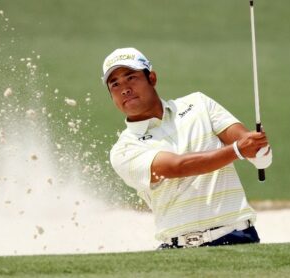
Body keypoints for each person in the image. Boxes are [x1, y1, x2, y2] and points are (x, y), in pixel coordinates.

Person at [101, 47, 272, 249]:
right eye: (115, 84)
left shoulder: (199, 104)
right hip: (178, 250)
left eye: (131, 77)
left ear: (152, 78)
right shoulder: (124, 149)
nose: (124, 88)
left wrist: (260, 151)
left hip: (238, 238)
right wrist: (238, 150)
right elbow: (176, 167)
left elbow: (249, 145)